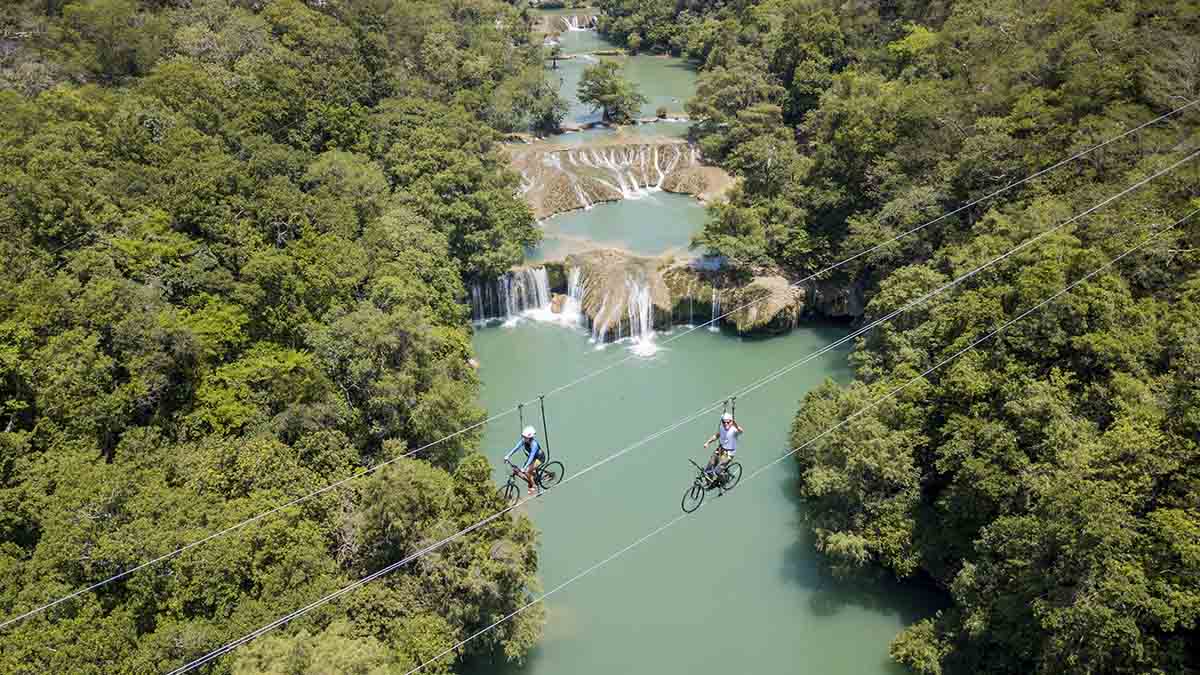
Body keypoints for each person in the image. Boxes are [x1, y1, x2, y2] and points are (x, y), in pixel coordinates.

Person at [702, 412, 743, 483]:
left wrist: (735, 424)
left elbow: (741, 430)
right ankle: (710, 482)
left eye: (728, 422)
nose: (726, 424)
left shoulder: (734, 430)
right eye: (724, 422)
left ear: (731, 422)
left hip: (728, 453)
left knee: (718, 471)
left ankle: (724, 480)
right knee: (709, 467)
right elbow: (716, 436)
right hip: (720, 449)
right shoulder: (721, 428)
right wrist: (708, 442)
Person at [505, 426, 545, 496]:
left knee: (526, 471)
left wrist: (525, 467)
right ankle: (532, 477)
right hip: (532, 458)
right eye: (523, 436)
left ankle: (534, 485)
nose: (523, 438)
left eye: (525, 437)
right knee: (526, 471)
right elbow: (516, 448)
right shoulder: (524, 441)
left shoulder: (534, 444)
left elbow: (531, 456)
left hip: (539, 458)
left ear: (530, 438)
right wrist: (508, 456)